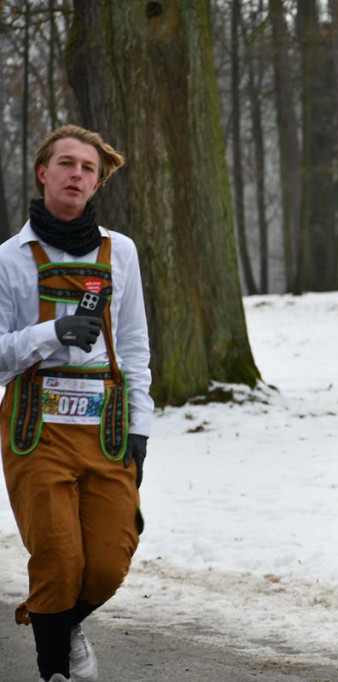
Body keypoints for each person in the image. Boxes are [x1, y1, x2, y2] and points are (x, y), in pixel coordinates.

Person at [0, 125, 153, 682]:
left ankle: (60, 623)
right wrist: (52, 333)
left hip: (107, 424)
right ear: (43, 173)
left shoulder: (122, 252)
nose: (76, 174)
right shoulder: (9, 258)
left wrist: (141, 424)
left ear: (97, 182)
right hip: (33, 428)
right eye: (66, 164)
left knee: (109, 561)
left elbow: (134, 344)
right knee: (58, 559)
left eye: (87, 168)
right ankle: (54, 669)